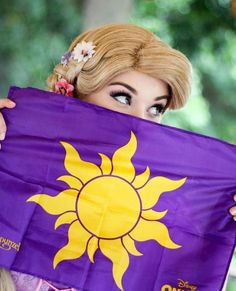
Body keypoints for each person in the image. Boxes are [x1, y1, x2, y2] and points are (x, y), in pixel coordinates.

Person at [0, 23, 235, 291]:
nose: (139, 121)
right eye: (123, 97)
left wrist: (221, 227)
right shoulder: (10, 162)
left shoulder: (177, 215)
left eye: (156, 108)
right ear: (73, 93)